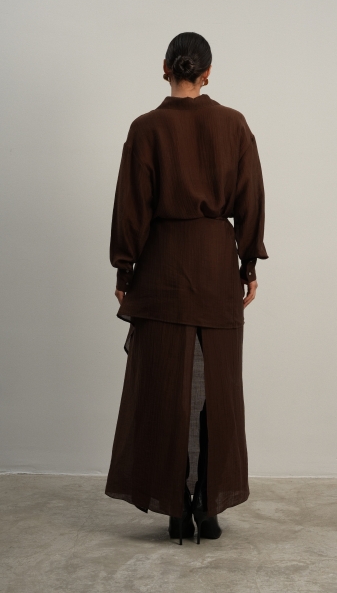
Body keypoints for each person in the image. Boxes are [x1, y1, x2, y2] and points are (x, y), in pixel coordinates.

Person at [105, 32, 268, 544]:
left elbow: (130, 205)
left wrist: (124, 270)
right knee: (216, 390)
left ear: (165, 67)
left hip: (162, 272)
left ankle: (174, 506)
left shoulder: (145, 128)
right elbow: (251, 198)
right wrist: (247, 264)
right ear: (208, 73)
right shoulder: (233, 125)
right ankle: (208, 507)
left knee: (164, 389)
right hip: (216, 270)